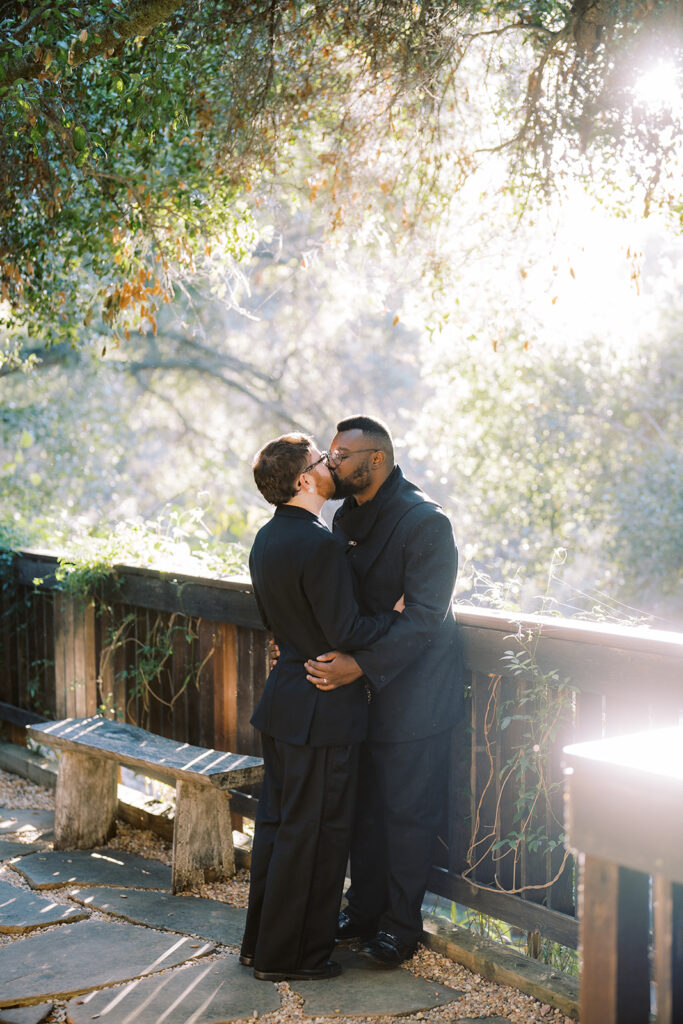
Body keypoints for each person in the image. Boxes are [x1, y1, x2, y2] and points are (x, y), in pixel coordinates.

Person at [241, 432, 403, 983]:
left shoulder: (266, 540)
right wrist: (397, 615)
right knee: (316, 834)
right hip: (324, 707)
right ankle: (294, 957)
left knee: (279, 828)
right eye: (321, 460)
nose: (331, 465)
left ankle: (260, 946)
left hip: (285, 702)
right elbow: (349, 631)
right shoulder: (318, 542)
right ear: (304, 480)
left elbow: (277, 624)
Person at [304, 414, 463, 968]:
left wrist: (359, 667)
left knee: (407, 813)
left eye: (341, 455)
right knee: (365, 809)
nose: (330, 464)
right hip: (362, 692)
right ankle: (363, 908)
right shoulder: (345, 517)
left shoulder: (425, 522)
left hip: (417, 694)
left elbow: (423, 619)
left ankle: (401, 925)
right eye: (328, 454)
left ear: (377, 459)